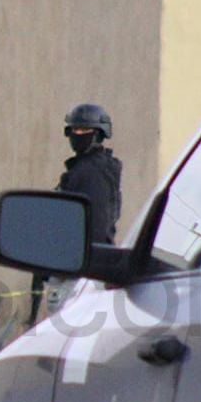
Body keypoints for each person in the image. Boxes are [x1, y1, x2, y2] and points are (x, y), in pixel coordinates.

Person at [35, 103, 124, 318]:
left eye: (84, 130)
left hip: (79, 274)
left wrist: (75, 261)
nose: (78, 134)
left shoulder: (93, 174)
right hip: (72, 270)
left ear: (99, 134)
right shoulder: (82, 171)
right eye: (74, 130)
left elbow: (95, 227)